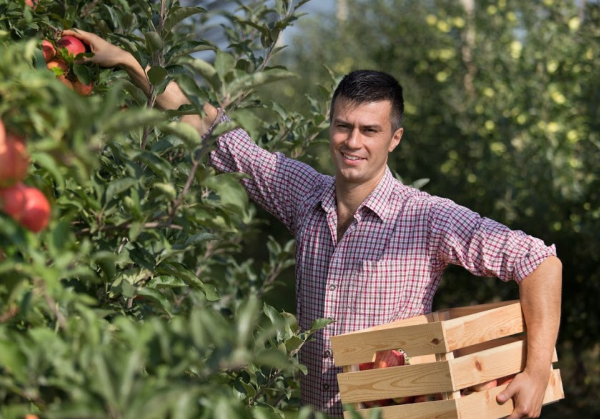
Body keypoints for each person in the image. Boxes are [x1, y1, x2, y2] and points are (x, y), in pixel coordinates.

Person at [63, 29, 562, 419]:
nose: (353, 141)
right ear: (331, 126)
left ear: (395, 139)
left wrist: (537, 370)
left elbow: (538, 261)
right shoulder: (304, 193)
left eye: (370, 130)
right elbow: (212, 132)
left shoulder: (425, 216)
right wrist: (132, 64)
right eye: (343, 126)